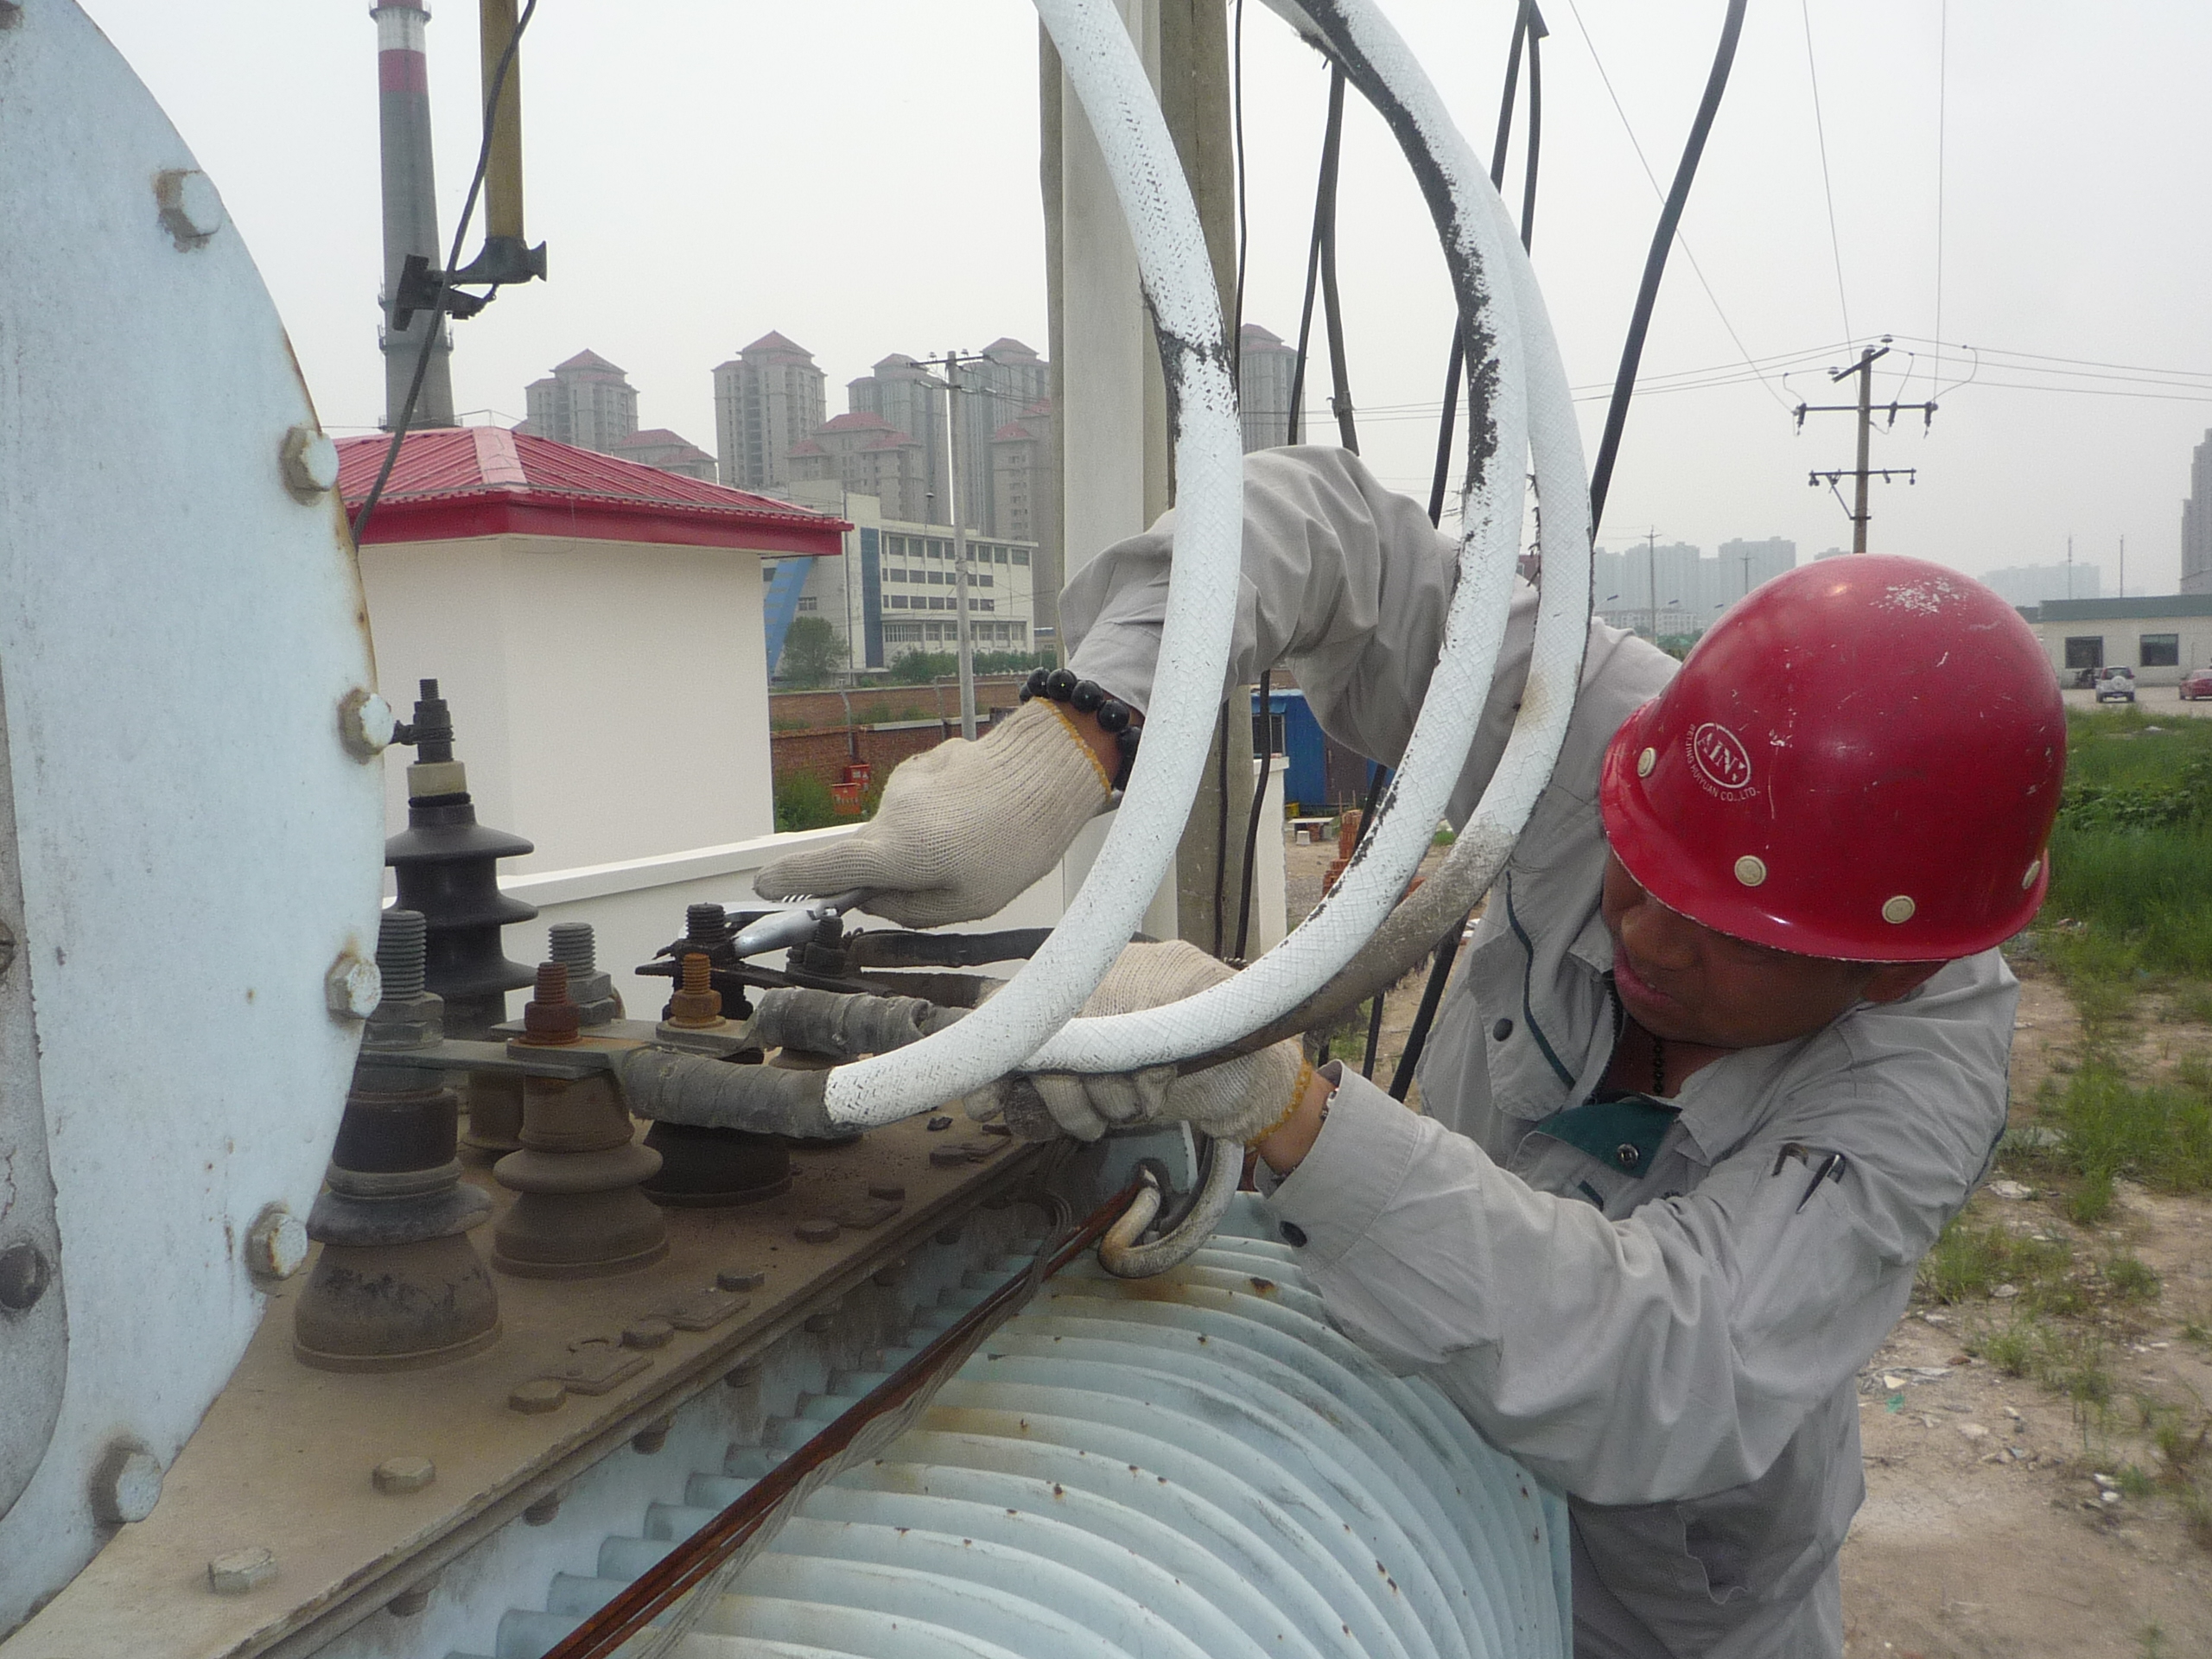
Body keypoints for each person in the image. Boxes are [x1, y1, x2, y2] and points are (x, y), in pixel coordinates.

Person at [758, 447, 2065, 1657]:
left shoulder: (1920, 1069)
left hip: (1663, 1601)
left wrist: (1284, 1102)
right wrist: (1079, 730)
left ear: (1888, 973)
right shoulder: (1635, 735)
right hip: (1414, 1474)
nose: (1646, 936)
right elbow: (1342, 545)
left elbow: (1678, 1362)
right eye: (1643, 862)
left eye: (1734, 936)